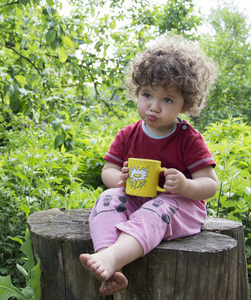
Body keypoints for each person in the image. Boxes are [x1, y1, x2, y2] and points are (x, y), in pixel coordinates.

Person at [79, 36, 219, 295]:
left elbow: (210, 185)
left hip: (180, 207)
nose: (153, 107)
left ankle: (112, 257)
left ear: (185, 104)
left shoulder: (188, 138)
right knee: (108, 198)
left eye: (167, 100)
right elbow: (107, 170)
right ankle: (108, 259)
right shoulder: (128, 134)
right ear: (136, 92)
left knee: (157, 207)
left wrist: (186, 186)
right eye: (147, 95)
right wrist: (118, 180)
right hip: (136, 199)